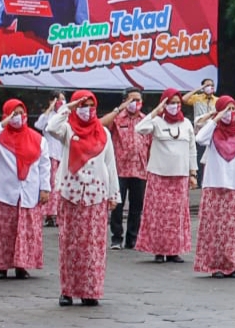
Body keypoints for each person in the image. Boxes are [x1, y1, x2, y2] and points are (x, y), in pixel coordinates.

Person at [47, 91, 120, 307]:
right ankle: (67, 291)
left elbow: (110, 165)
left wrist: (113, 194)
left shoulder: (104, 133)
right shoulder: (68, 129)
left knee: (93, 247)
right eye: (82, 105)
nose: (87, 109)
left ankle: (90, 291)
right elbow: (51, 127)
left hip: (96, 196)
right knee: (70, 245)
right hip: (71, 194)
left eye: (90, 105)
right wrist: (67, 108)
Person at [0, 99, 51, 280]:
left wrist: (45, 188)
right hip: (4, 191)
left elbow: (44, 165)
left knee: (25, 231)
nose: (18, 117)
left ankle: (22, 266)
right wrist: (2, 124)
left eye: (21, 113)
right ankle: (1, 266)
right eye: (13, 113)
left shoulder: (38, 139)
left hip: (29, 192)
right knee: (3, 230)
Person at [194, 96, 235, 278]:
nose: (229, 114)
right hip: (215, 186)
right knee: (215, 229)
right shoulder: (213, 132)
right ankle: (216, 265)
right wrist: (215, 119)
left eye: (232, 109)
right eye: (225, 109)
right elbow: (199, 138)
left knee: (234, 229)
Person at [134, 89, 197, 263]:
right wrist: (156, 111)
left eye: (177, 103)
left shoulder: (186, 124)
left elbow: (192, 149)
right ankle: (158, 251)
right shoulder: (156, 122)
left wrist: (193, 173)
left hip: (180, 176)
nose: (174, 106)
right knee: (159, 215)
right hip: (159, 175)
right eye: (170, 103)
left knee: (176, 216)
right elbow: (140, 128)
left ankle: (174, 251)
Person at [100, 87, 149, 250]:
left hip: (140, 169)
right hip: (120, 169)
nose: (135, 103)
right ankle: (116, 238)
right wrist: (118, 110)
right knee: (117, 206)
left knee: (136, 207)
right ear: (125, 101)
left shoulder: (145, 119)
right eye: (132, 100)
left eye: (138, 100)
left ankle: (132, 239)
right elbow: (100, 125)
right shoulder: (117, 118)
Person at [34, 90, 66, 227]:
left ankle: (59, 214)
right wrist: (50, 108)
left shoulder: (65, 115)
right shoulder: (48, 116)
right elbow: (38, 125)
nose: (62, 102)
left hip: (62, 155)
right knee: (50, 185)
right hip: (50, 155)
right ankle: (49, 214)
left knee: (60, 186)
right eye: (60, 99)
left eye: (64, 99)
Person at [182, 78, 218, 183]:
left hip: (212, 133)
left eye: (211, 85)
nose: (210, 87)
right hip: (199, 132)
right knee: (198, 156)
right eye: (207, 85)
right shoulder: (196, 98)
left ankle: (207, 179)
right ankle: (197, 179)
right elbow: (184, 99)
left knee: (209, 158)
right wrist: (200, 88)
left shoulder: (217, 100)